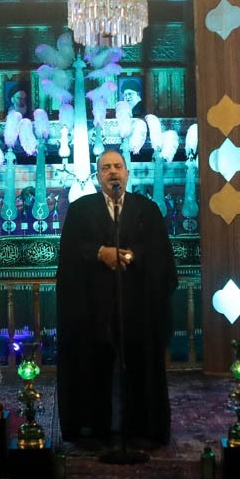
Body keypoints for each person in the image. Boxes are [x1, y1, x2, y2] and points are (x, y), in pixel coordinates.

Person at [55, 149, 178, 449]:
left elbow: (160, 253)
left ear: (127, 173)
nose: (112, 172)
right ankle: (94, 430)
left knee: (139, 367)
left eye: (118, 166)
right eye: (106, 167)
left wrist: (131, 256)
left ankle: (142, 429)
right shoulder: (81, 209)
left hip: (137, 306)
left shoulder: (146, 209)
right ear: (98, 175)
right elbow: (71, 252)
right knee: (93, 367)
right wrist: (101, 253)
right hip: (93, 308)